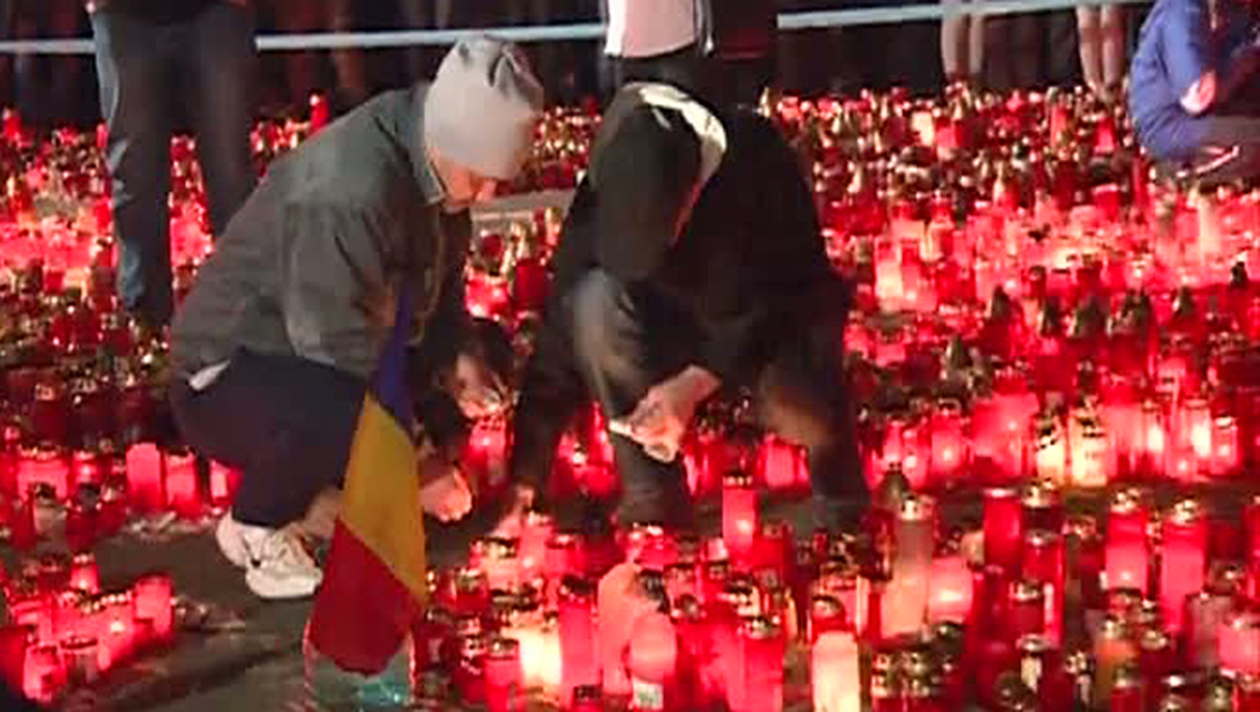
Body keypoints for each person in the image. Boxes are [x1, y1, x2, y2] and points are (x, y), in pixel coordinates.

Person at [168, 37, 544, 599]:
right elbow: (333, 348)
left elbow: (438, 296)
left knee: (482, 353)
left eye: (499, 178)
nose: (488, 194)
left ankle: (328, 500)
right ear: (450, 139)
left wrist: (458, 357)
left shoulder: (441, 172)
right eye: (481, 174)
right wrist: (419, 464)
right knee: (348, 410)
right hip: (231, 373)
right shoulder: (352, 189)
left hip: (328, 357)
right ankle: (257, 523)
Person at [505, 81, 864, 534]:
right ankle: (653, 494)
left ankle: (840, 491)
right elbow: (560, 331)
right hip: (666, 335)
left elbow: (796, 297)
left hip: (768, 336)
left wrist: (697, 381)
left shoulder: (756, 162)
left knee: (798, 405)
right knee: (594, 302)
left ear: (690, 200)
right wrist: (525, 477)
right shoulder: (604, 189)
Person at [88, 0, 259, 330]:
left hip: (217, 11)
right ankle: (144, 321)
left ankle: (247, 313)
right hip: (125, 14)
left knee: (230, 170)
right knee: (135, 171)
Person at [1129, 0, 1260, 182]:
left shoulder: (1222, 9)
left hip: (1200, 110)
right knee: (1254, 144)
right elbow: (1197, 97)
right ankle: (1172, 171)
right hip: (1169, 123)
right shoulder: (1181, 12)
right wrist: (1246, 59)